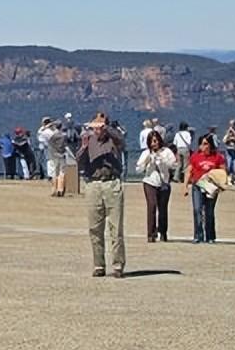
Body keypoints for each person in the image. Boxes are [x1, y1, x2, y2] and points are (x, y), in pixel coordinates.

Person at [77, 111, 126, 278]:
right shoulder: (88, 141)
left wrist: (107, 128)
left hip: (112, 182)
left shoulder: (113, 139)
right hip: (94, 183)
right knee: (95, 227)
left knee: (116, 227)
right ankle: (98, 264)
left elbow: (121, 141)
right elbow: (80, 162)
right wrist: (83, 148)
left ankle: (118, 264)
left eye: (100, 126)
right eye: (95, 126)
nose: (97, 130)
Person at [184, 134, 227, 244]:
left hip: (211, 187)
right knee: (197, 210)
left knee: (209, 211)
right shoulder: (195, 156)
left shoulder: (217, 157)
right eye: (202, 144)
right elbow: (189, 171)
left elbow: (223, 172)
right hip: (197, 185)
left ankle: (210, 236)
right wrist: (185, 186)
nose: (204, 146)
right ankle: (198, 235)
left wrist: (222, 185)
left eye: (206, 144)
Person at [136, 130, 177, 242]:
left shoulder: (166, 152)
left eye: (156, 140)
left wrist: (162, 160)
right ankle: (151, 233)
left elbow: (174, 165)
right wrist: (147, 161)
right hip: (149, 182)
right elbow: (138, 169)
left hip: (163, 182)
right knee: (152, 206)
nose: (154, 143)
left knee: (163, 209)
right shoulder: (145, 153)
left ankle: (163, 232)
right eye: (152, 141)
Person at [45, 120, 68, 197]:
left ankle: (54, 189)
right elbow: (65, 146)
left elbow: (49, 144)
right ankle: (60, 189)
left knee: (54, 173)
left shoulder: (52, 136)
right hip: (61, 155)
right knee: (62, 172)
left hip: (53, 155)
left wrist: (48, 126)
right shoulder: (63, 136)